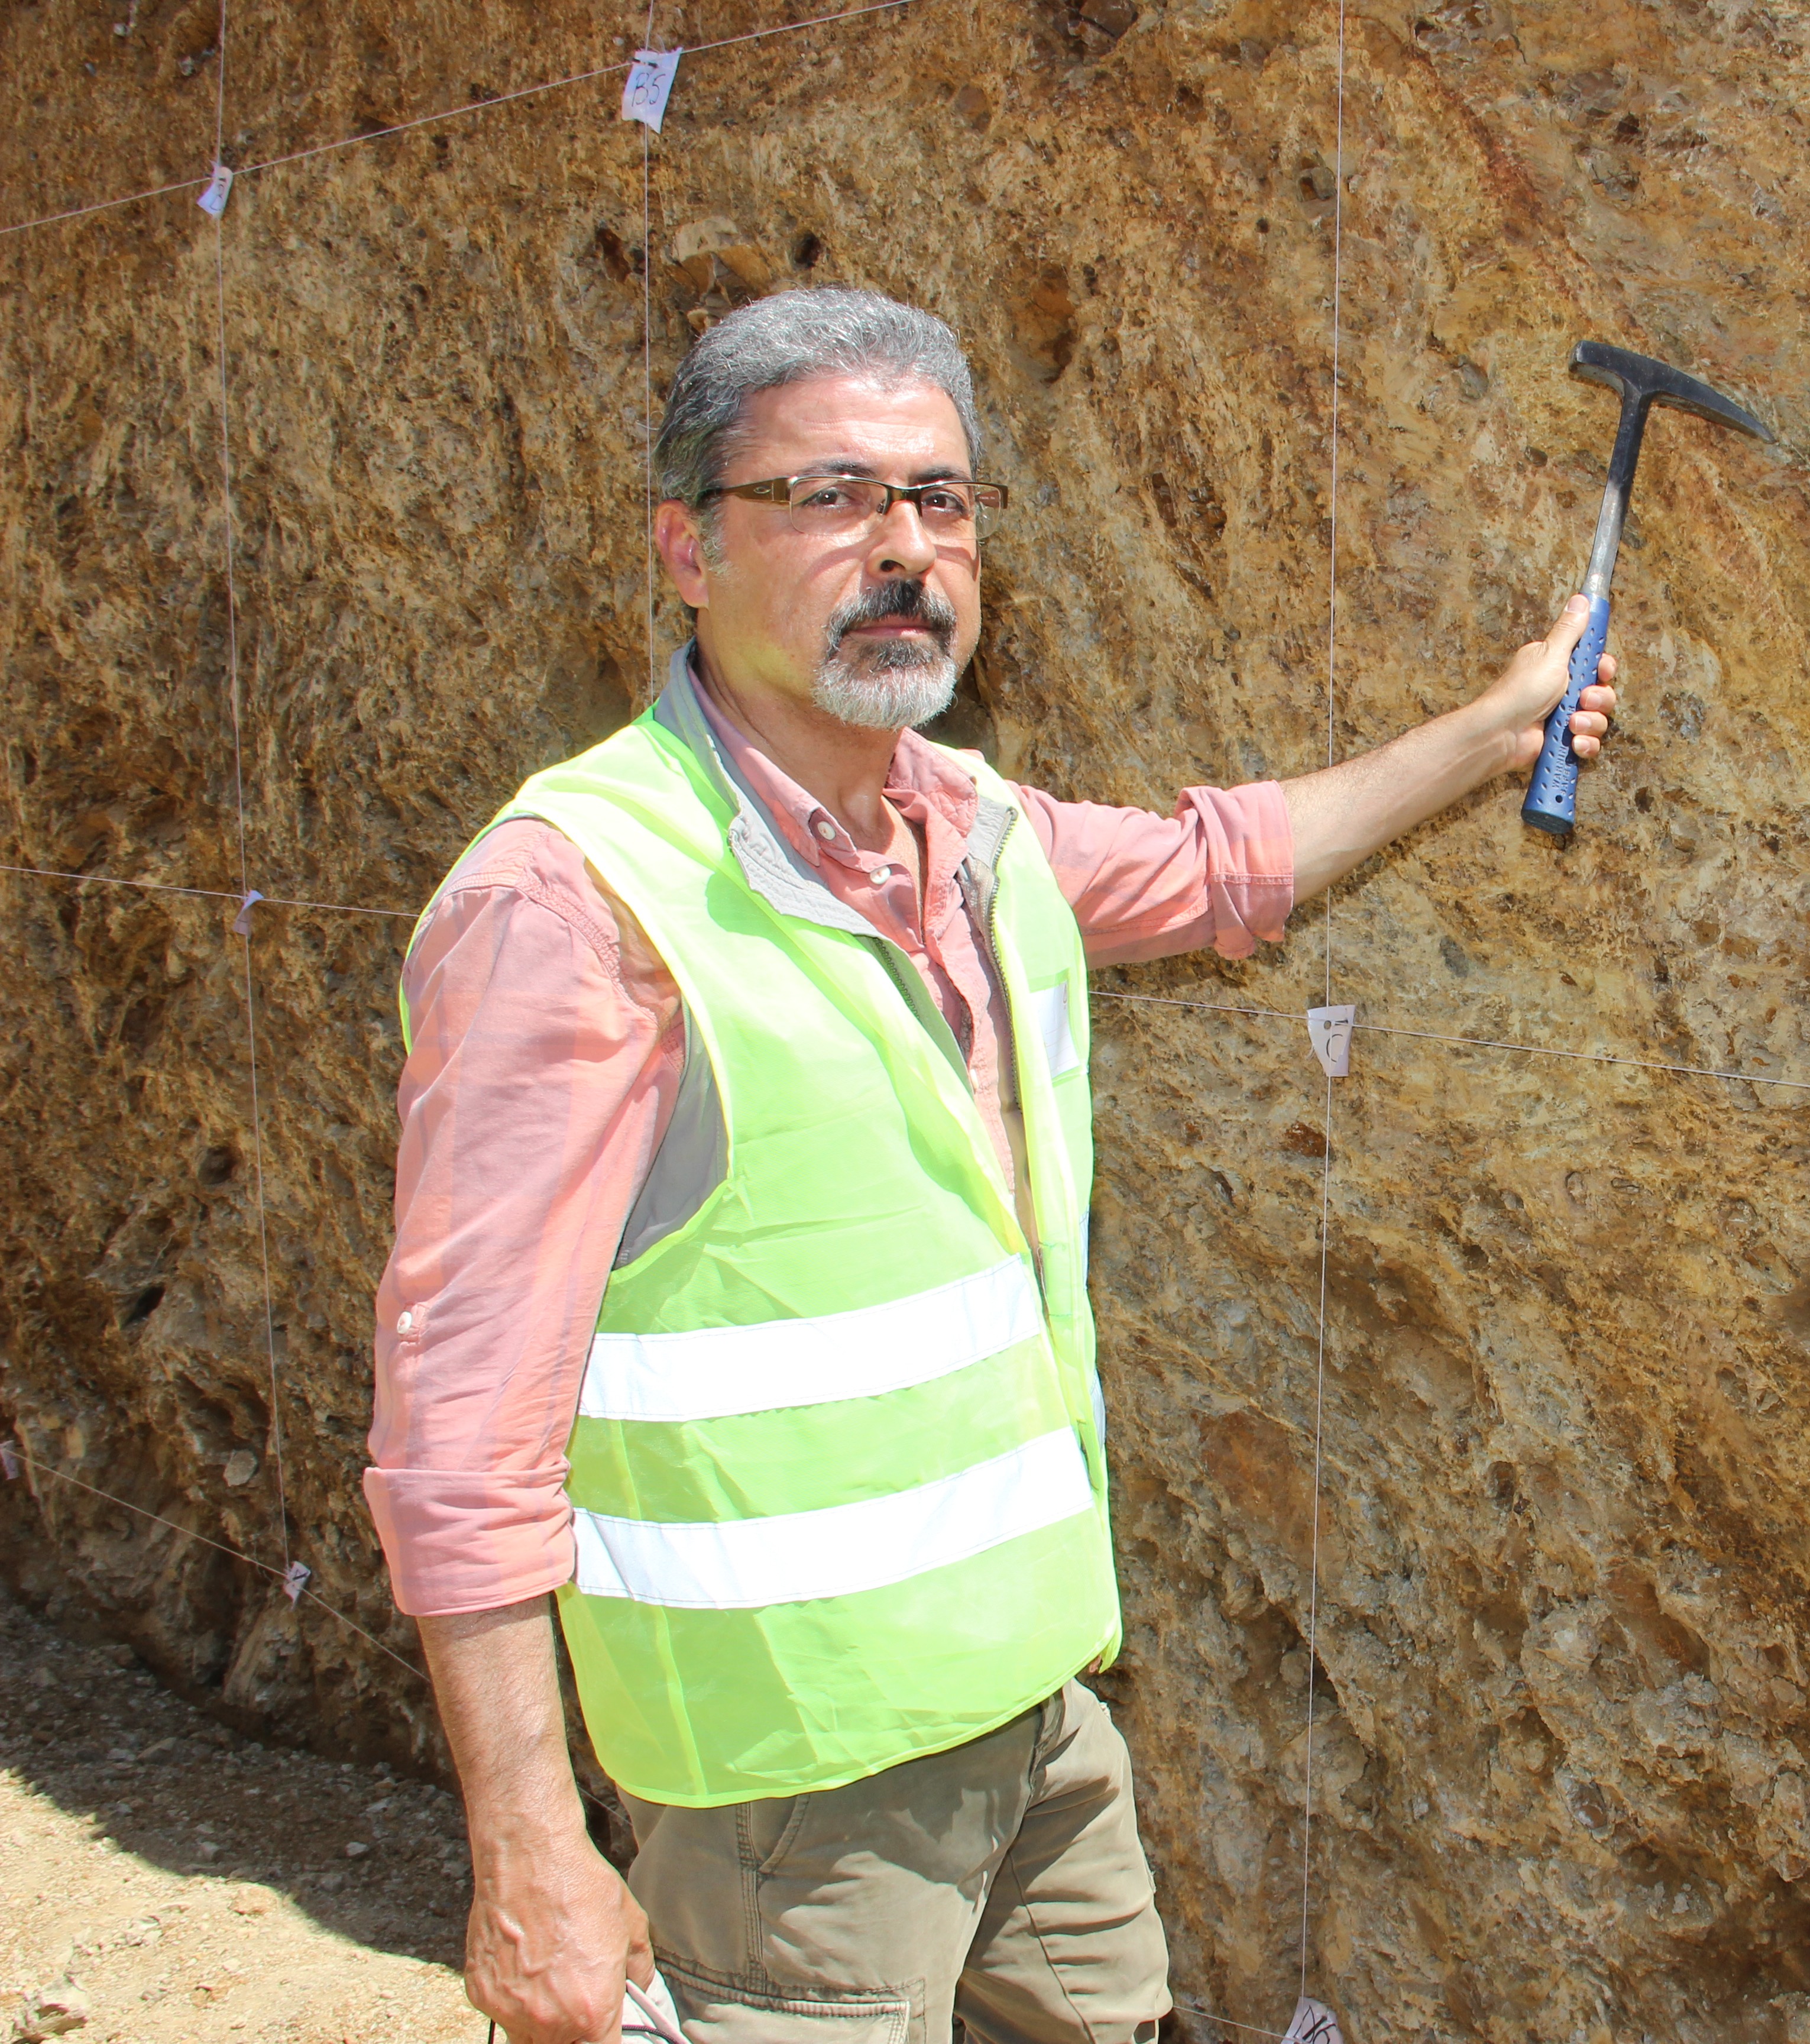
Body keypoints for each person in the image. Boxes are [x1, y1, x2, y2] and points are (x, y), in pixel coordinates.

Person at [362, 286, 1618, 2044]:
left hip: (1028, 1705)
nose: (903, 550)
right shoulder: (576, 901)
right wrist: (529, 1852)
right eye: (830, 497)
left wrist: (1496, 729)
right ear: (684, 551)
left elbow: (1222, 864)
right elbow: (458, 1428)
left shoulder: (976, 835)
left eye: (939, 502)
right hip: (790, 1780)